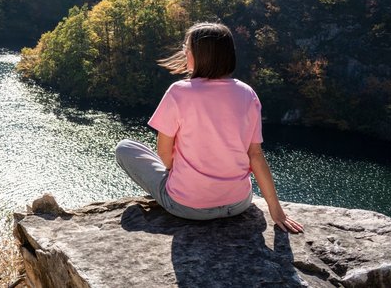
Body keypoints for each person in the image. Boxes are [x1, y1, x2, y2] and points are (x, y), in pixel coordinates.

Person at [115, 22, 303, 233]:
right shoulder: (247, 93)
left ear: (199, 55)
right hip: (238, 204)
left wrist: (184, 179)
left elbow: (165, 155)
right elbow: (256, 156)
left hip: (187, 207)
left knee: (125, 147)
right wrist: (275, 209)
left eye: (187, 48)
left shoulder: (178, 92)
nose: (184, 52)